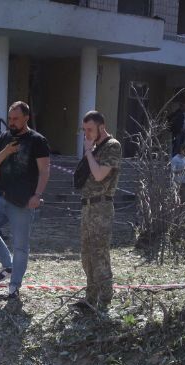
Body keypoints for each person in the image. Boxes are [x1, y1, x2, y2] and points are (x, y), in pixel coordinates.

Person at [0, 101, 51, 298]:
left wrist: (37, 195)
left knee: (20, 246)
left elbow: (45, 170)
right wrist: (6, 152)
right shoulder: (4, 138)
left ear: (26, 118)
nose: (11, 122)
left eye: (15, 119)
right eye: (10, 118)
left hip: (23, 202)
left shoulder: (38, 141)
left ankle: (14, 286)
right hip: (0, 195)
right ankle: (8, 265)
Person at [74, 110, 123, 313]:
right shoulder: (95, 147)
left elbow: (100, 175)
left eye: (90, 129)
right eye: (84, 130)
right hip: (88, 206)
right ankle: (90, 298)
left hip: (101, 206)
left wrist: (88, 151)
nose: (86, 134)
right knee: (87, 255)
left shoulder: (112, 146)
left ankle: (104, 299)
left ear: (101, 127)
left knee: (99, 253)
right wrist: (90, 150)